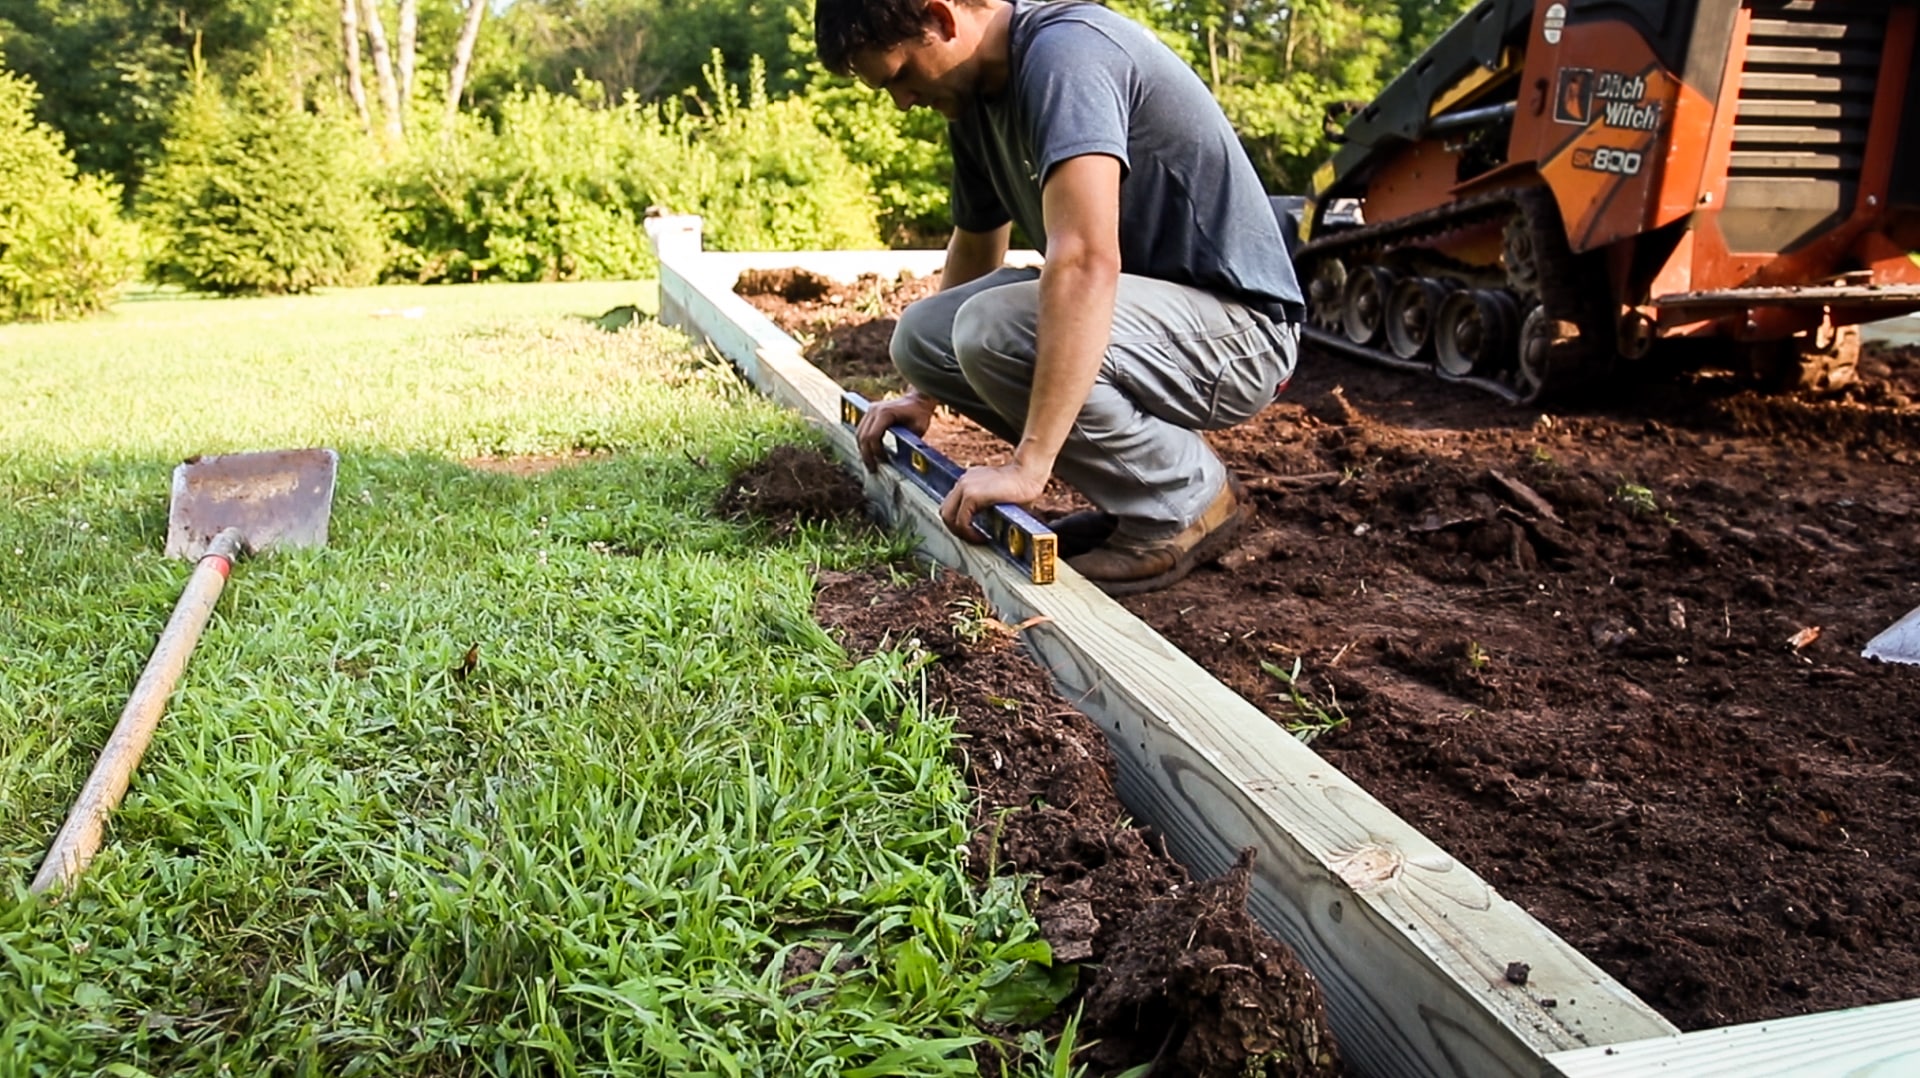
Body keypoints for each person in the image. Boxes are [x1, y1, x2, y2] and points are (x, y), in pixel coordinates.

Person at [814, 0, 1303, 595]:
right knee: (922, 340)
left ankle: (1185, 500)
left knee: (996, 329)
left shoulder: (1066, 55)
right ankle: (1145, 490)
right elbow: (975, 240)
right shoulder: (973, 99)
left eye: (900, 75)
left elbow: (1085, 260)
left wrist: (1029, 467)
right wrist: (924, 394)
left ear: (942, 19)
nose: (902, 100)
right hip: (1153, 324)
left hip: (1242, 333)